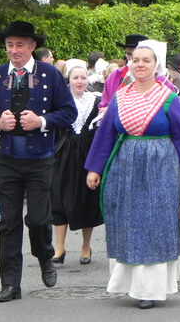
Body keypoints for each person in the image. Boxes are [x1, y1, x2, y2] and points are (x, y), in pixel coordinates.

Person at [85, 40, 180, 309]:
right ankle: (130, 285)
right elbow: (106, 135)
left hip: (162, 166)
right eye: (136, 60)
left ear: (157, 66)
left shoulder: (168, 98)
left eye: (146, 60)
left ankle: (151, 290)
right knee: (129, 221)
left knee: (156, 223)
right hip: (125, 166)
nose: (140, 64)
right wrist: (95, 169)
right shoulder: (120, 97)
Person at [0, 20, 77, 302]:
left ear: (32, 47)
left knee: (39, 219)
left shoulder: (50, 74)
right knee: (8, 224)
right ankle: (10, 284)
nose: (14, 50)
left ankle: (44, 256)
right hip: (6, 159)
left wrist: (42, 120)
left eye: (20, 44)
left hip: (40, 159)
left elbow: (69, 112)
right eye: (9, 45)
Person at [50, 64, 103, 265]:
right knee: (58, 197)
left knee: (86, 198)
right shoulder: (60, 102)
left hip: (88, 153)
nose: (80, 81)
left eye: (83, 77)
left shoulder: (97, 101)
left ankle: (85, 246)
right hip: (63, 153)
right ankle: (60, 247)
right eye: (75, 78)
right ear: (69, 80)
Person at [99, 34, 149, 111]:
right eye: (129, 54)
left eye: (136, 55)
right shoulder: (114, 76)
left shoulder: (158, 79)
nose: (132, 59)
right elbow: (103, 105)